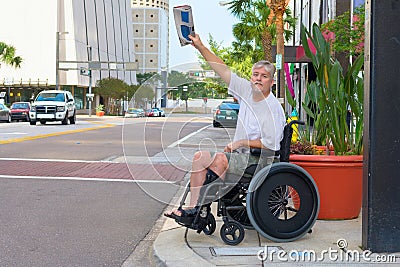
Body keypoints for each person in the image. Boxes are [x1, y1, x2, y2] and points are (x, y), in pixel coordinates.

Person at [164, 33, 286, 220]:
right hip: (243, 157)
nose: (258, 79)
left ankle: (202, 209)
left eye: (264, 76)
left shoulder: (272, 107)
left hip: (261, 161)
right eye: (255, 75)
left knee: (219, 160)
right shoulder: (246, 91)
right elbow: (222, 69)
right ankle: (193, 208)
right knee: (200, 157)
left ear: (272, 81)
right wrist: (200, 46)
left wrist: (239, 143)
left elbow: (271, 144)